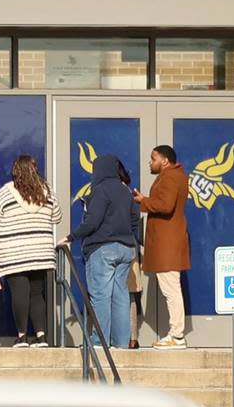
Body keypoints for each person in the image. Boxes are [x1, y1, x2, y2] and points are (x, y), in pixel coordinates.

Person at [62, 154, 140, 348]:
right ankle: (121, 343)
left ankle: (99, 341)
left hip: (103, 248)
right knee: (121, 295)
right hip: (126, 249)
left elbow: (93, 221)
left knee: (100, 296)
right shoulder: (125, 190)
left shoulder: (100, 190)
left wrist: (71, 237)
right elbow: (135, 220)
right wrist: (136, 241)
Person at [0, 155, 63, 348]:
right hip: (40, 253)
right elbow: (57, 217)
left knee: (19, 293)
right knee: (37, 294)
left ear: (16, 171)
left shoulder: (5, 192)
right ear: (34, 169)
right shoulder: (47, 192)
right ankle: (41, 336)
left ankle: (21, 336)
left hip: (13, 252)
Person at [133, 144, 190, 349]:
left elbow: (165, 205)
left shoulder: (171, 177)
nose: (150, 162)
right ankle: (176, 334)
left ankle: (177, 335)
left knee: (171, 290)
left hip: (167, 243)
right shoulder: (175, 177)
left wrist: (143, 201)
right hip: (167, 242)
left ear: (165, 160)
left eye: (153, 158)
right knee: (171, 289)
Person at [117, 161, 144, 349]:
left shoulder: (108, 191)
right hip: (130, 245)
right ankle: (132, 337)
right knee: (130, 293)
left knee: (117, 293)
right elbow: (136, 219)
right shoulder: (128, 193)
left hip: (117, 245)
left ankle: (120, 336)